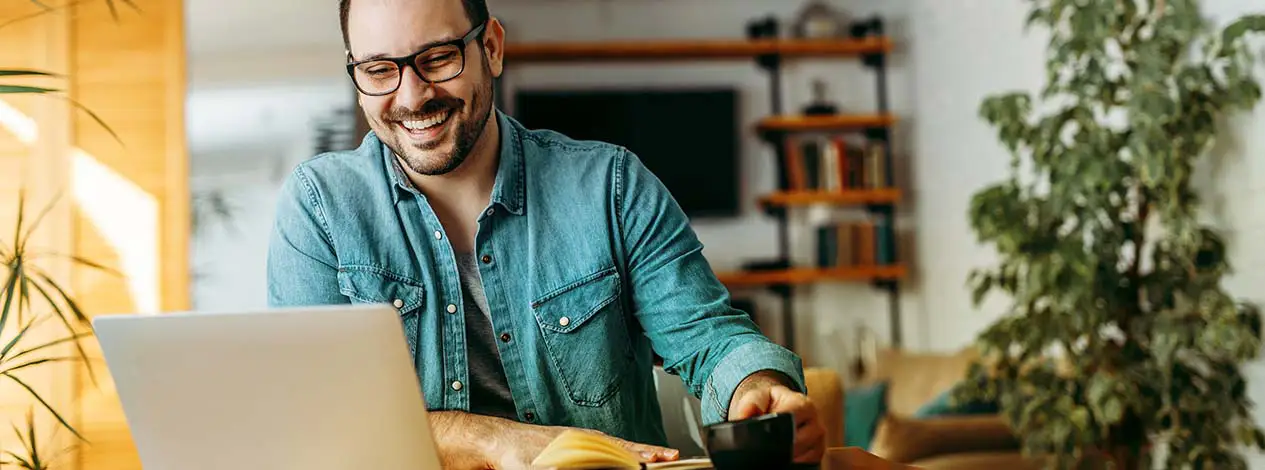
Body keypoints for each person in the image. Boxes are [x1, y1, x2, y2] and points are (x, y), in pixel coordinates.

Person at [265, 0, 826, 467]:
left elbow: (709, 338)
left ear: (491, 48)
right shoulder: (319, 208)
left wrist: (756, 385)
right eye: (379, 69)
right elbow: (318, 416)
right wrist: (495, 439)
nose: (411, 97)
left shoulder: (612, 185)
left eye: (437, 58)